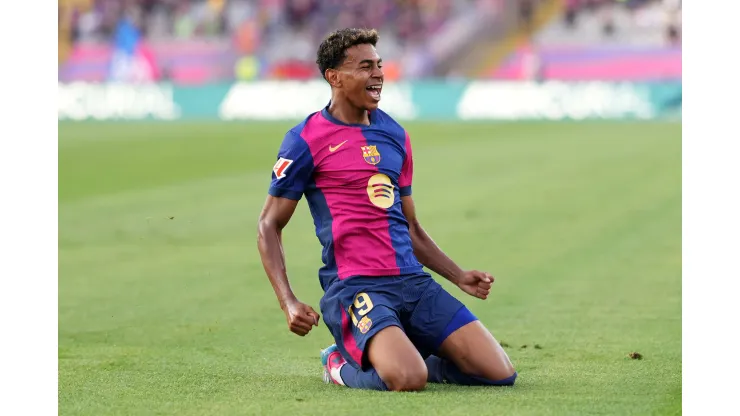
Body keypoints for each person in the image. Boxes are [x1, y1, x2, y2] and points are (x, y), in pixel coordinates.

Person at [257, 28, 517, 392]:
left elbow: (410, 227)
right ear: (334, 77)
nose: (378, 74)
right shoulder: (305, 140)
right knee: (409, 379)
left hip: (412, 282)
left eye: (379, 65)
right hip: (356, 287)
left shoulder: (395, 134)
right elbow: (269, 224)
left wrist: (457, 275)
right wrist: (288, 302)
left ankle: (409, 352)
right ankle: (337, 363)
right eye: (365, 67)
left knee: (499, 373)